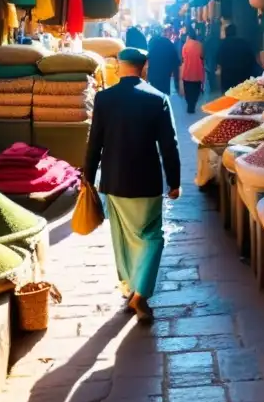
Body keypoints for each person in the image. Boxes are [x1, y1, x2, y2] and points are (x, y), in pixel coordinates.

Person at [84, 48, 181, 322]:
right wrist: (174, 181)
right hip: (147, 182)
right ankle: (141, 294)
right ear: (145, 67)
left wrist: (87, 179)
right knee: (152, 237)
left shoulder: (104, 98)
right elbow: (169, 145)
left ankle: (130, 288)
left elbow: (95, 143)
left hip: (114, 181)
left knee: (123, 238)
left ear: (118, 66)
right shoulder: (158, 99)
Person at [216, 23, 257, 92]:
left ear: (226, 33)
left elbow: (218, 59)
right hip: (242, 77)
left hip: (227, 78)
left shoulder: (222, 44)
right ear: (236, 32)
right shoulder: (244, 43)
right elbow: (251, 59)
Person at [146, 28, 180, 95]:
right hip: (165, 76)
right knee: (163, 96)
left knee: (153, 95)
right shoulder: (170, 44)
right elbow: (176, 62)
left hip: (152, 75)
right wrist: (177, 81)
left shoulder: (152, 41)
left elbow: (147, 58)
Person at [181, 28, 205, 114]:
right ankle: (192, 104)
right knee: (196, 90)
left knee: (188, 90)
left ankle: (190, 105)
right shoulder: (200, 45)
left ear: (188, 36)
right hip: (197, 72)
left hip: (187, 72)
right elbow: (202, 56)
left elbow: (183, 59)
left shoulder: (185, 46)